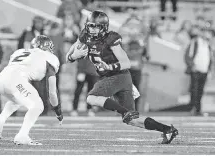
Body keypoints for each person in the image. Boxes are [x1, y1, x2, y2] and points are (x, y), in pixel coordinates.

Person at [66, 10, 178, 144]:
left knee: (91, 98)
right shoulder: (85, 36)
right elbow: (69, 56)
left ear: (104, 27)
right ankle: (167, 130)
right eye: (90, 25)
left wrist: (109, 67)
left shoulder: (111, 39)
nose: (92, 29)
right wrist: (74, 56)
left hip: (117, 76)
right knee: (132, 120)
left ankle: (124, 111)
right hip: (118, 78)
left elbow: (126, 63)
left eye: (96, 26)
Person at [0, 35, 63, 145]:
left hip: (1, 80)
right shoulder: (50, 58)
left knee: (17, 100)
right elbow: (52, 92)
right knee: (37, 105)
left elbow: (0, 77)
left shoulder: (20, 52)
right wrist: (58, 111)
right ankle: (22, 136)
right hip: (16, 80)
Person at [185, 25, 214, 116]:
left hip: (204, 71)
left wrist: (209, 70)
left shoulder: (208, 44)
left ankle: (198, 109)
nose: (208, 34)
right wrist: (191, 65)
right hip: (196, 70)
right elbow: (188, 55)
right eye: (206, 32)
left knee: (200, 91)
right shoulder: (195, 41)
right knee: (194, 90)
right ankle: (192, 108)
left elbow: (210, 58)